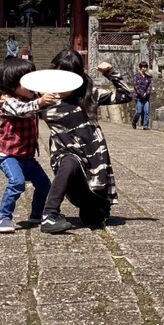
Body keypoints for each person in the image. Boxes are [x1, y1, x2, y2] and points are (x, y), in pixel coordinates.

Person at [38, 49, 133, 233]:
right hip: (69, 171)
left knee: (93, 218)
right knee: (69, 160)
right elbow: (14, 109)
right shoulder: (44, 100)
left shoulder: (90, 95)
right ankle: (49, 215)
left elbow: (126, 95)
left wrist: (110, 73)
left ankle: (97, 208)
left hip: (95, 176)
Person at [0, 58, 59, 233]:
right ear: (12, 84)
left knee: (45, 185)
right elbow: (23, 110)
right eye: (26, 81)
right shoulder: (8, 101)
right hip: (9, 155)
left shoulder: (33, 97)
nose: (32, 85)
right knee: (17, 183)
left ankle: (36, 215)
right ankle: (4, 216)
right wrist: (40, 102)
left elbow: (43, 104)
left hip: (27, 156)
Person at [131, 61, 152, 130]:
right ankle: (134, 121)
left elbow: (149, 86)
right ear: (140, 68)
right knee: (139, 111)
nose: (145, 68)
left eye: (146, 67)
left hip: (146, 97)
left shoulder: (148, 77)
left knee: (146, 111)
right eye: (143, 67)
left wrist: (147, 93)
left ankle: (145, 125)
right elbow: (136, 86)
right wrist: (142, 94)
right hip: (138, 97)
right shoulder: (137, 76)